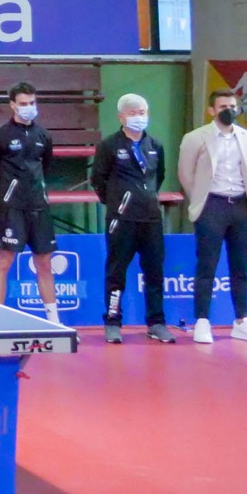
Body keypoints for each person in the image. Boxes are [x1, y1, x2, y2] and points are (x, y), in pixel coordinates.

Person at [179, 88, 247, 344]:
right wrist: (201, 200)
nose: (228, 111)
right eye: (222, 107)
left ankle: (242, 320)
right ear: (211, 110)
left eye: (232, 106)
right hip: (212, 205)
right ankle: (202, 321)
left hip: (241, 206)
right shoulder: (195, 138)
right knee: (207, 265)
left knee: (240, 266)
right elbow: (186, 175)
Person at [91, 93, 174, 344]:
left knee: (154, 272)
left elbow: (158, 177)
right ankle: (113, 321)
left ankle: (156, 322)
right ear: (121, 117)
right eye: (133, 113)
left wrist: (146, 199)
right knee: (116, 273)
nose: (138, 117)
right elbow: (98, 180)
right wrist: (118, 203)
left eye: (142, 113)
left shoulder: (155, 145)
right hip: (121, 220)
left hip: (151, 219)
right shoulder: (109, 146)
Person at [0, 82, 60, 324]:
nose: (29, 107)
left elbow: (46, 168)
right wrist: (5, 200)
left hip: (39, 207)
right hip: (12, 209)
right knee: (4, 261)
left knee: (44, 263)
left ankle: (54, 321)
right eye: (23, 103)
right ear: (13, 105)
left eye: (32, 103)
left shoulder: (43, 136)